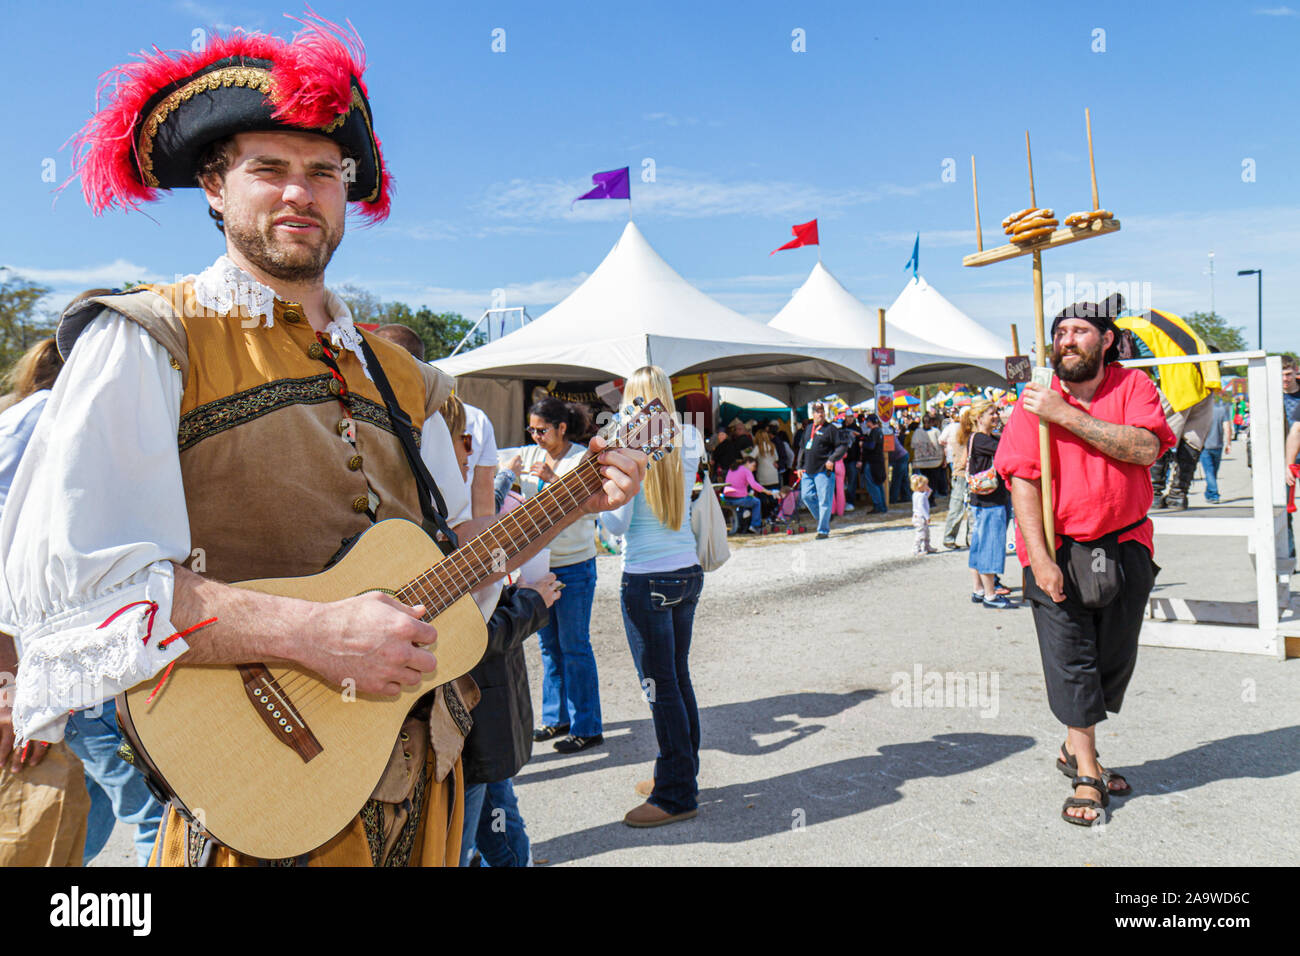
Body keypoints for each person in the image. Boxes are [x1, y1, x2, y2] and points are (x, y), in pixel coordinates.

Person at [1, 16, 645, 867]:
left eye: (323, 173)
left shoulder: (408, 378)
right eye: (268, 168)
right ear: (214, 188)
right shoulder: (152, 339)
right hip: (261, 790)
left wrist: (573, 503)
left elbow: (458, 568)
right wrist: (309, 633)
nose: (300, 193)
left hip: (425, 781)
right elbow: (87, 591)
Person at [996, 299, 1174, 826]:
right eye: (1060, 332)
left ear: (1107, 340)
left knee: (1113, 658)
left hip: (1125, 544)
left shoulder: (1133, 386)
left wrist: (1067, 416)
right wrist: (1039, 558)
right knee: (1071, 659)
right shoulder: (1034, 399)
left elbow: (1145, 449)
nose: (1067, 340)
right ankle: (1087, 770)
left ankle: (1074, 745)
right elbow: (1023, 479)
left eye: (1079, 331)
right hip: (1058, 548)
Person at [599, 365, 705, 828]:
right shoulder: (691, 437)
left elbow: (616, 523)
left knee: (660, 688)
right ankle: (679, 772)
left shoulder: (625, 443)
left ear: (631, 399)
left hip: (646, 576)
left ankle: (676, 795)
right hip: (686, 570)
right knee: (677, 679)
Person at [518, 396, 607, 753]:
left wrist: (553, 480)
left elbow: (592, 509)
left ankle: (588, 726)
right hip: (540, 564)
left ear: (562, 428)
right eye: (531, 430)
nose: (535, 436)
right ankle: (556, 718)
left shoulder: (582, 459)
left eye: (542, 430)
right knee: (549, 646)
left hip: (574, 563)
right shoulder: (529, 455)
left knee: (574, 646)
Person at [1115, 304, 1221, 511]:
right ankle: (1178, 496)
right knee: (1193, 440)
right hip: (1206, 378)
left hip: (1176, 383)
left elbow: (1126, 362)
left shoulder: (1124, 325)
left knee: (1158, 437)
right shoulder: (1160, 316)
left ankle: (1154, 494)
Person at [965, 399, 1013, 608]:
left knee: (979, 545)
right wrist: (1008, 424)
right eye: (991, 413)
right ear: (979, 417)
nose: (996, 416)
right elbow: (1008, 448)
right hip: (991, 500)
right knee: (990, 546)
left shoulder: (979, 438)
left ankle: (979, 589)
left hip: (983, 499)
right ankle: (990, 595)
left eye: (996, 412)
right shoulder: (982, 440)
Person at [796, 401, 847, 539]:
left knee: (824, 500)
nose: (820, 414)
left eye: (822, 412)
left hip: (824, 471)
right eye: (818, 412)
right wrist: (799, 466)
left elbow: (842, 446)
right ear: (813, 414)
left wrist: (832, 459)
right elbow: (802, 448)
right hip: (808, 470)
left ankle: (823, 530)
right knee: (806, 496)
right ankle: (825, 517)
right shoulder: (808, 429)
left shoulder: (831, 429)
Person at [722, 450, 776, 534]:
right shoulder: (746, 470)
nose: (754, 469)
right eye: (753, 466)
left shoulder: (732, 468)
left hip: (726, 498)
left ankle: (741, 525)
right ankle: (755, 525)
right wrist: (766, 491)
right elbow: (753, 484)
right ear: (747, 462)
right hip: (738, 498)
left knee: (746, 503)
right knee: (757, 502)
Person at [942, 406, 972, 549]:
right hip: (962, 473)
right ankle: (952, 537)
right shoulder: (963, 432)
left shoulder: (958, 430)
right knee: (960, 507)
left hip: (961, 472)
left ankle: (960, 538)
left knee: (963, 507)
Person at [1199, 397, 1233, 503]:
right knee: (1213, 472)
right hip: (1218, 445)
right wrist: (1228, 443)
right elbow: (1227, 428)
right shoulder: (1222, 410)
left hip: (1204, 446)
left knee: (1209, 472)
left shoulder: (1202, 412)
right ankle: (1209, 493)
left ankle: (1213, 495)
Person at [859, 414, 888, 513]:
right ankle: (883, 506)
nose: (866, 423)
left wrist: (863, 444)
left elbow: (871, 446)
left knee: (872, 484)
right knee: (879, 483)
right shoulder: (879, 431)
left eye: (867, 421)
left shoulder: (874, 432)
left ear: (870, 422)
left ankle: (878, 506)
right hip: (878, 461)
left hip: (872, 462)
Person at [911, 474, 936, 555]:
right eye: (925, 485)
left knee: (926, 533)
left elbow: (928, 493)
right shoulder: (921, 496)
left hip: (917, 516)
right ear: (920, 486)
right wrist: (927, 517)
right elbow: (922, 508)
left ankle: (926, 546)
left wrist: (928, 489)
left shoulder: (916, 494)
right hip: (920, 517)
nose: (927, 486)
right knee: (921, 534)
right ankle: (916, 549)